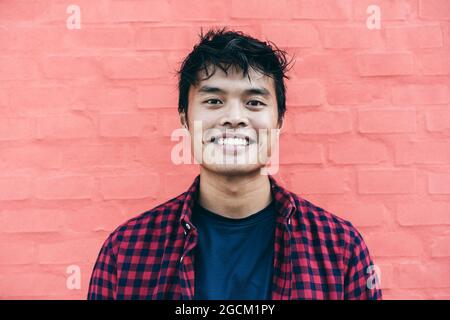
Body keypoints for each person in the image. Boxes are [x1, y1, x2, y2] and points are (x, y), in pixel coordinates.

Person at [87, 27, 382, 300]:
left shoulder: (339, 247)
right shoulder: (126, 251)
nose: (234, 117)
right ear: (184, 119)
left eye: (254, 102)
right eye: (214, 101)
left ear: (279, 120)